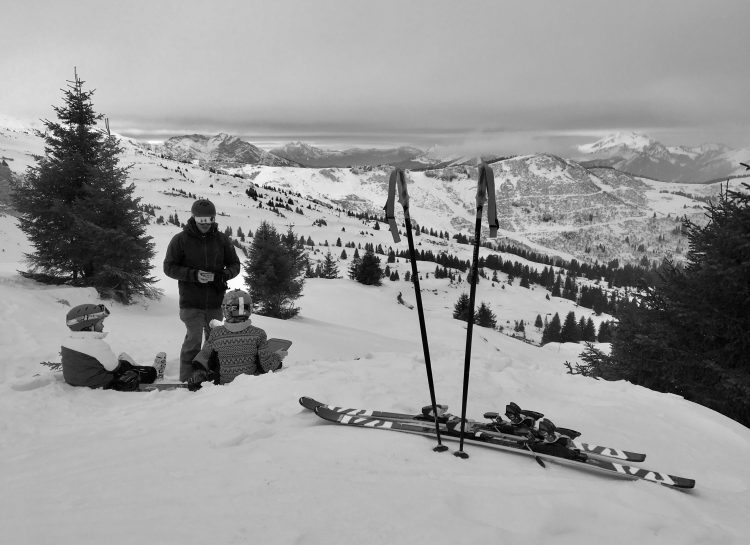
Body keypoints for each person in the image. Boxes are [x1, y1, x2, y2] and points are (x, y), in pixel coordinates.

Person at [163, 199, 241, 381]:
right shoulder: (180, 240)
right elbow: (169, 267)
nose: (205, 224)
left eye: (209, 220)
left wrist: (222, 276)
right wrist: (193, 275)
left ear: (214, 218)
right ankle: (187, 379)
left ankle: (211, 375)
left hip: (215, 301)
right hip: (191, 301)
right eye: (201, 220)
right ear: (194, 218)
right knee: (194, 340)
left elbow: (235, 265)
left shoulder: (222, 240)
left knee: (214, 341)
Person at [186, 289, 287, 390]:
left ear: (225, 310)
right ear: (249, 309)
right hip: (250, 386)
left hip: (221, 388)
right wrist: (277, 357)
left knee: (214, 359)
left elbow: (203, 357)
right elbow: (266, 366)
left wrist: (198, 374)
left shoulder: (216, 333)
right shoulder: (258, 334)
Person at [61, 304, 158, 391]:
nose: (103, 325)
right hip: (99, 384)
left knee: (123, 365)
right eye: (100, 322)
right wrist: (125, 366)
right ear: (89, 325)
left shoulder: (67, 342)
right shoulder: (96, 344)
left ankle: (131, 364)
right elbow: (114, 368)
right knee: (140, 372)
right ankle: (155, 371)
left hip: (74, 381)